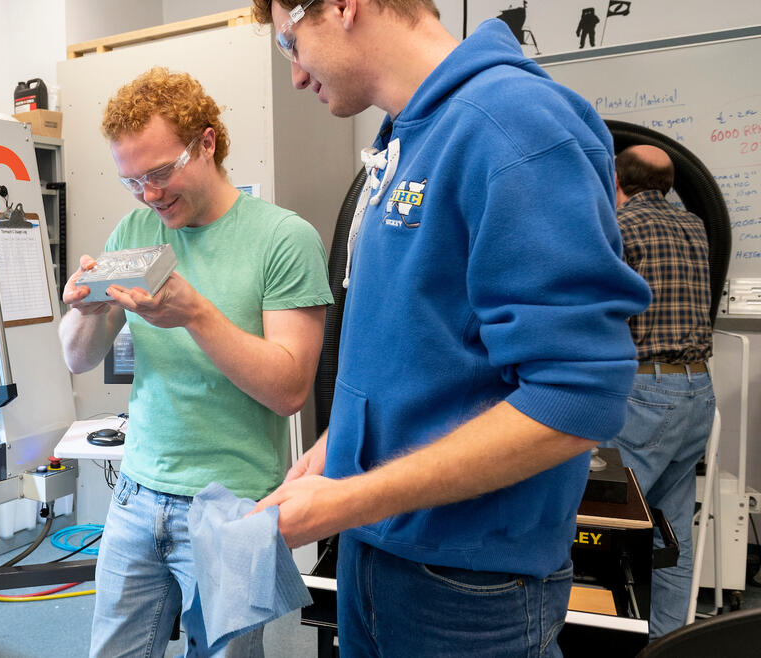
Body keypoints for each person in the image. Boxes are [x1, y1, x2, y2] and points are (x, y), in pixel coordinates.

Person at [249, 1, 651, 655]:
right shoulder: (410, 136)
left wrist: (352, 500)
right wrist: (337, 449)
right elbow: (418, 344)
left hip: (466, 584)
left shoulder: (513, 125)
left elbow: (576, 398)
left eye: (291, 43)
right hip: (380, 549)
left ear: (344, 7)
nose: (294, 74)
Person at [59, 66, 333, 657]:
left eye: (161, 173)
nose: (150, 195)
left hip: (231, 504)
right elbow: (78, 358)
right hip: (135, 495)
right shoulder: (136, 230)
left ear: (207, 142)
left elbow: (289, 390)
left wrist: (197, 315)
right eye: (133, 180)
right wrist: (83, 311)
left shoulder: (284, 239)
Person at [604, 144, 715, 638]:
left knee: (610, 522)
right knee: (671, 530)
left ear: (616, 179)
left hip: (646, 393)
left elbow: (601, 308)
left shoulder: (619, 227)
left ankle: (603, 638)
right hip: (698, 390)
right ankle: (666, 642)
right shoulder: (694, 225)